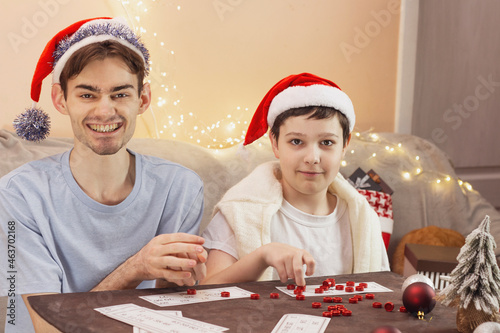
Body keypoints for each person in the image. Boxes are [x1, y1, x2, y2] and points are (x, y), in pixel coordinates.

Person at [0, 17, 206, 333]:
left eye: (120, 94)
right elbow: (47, 329)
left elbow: (175, 309)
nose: (105, 110)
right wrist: (137, 267)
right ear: (60, 99)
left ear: (143, 99)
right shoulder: (18, 195)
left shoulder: (181, 189)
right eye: (87, 95)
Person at [201, 73, 390, 287]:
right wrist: (262, 256)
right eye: (297, 141)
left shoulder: (363, 219)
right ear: (275, 143)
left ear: (345, 145)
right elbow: (205, 290)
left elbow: (379, 291)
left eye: (327, 142)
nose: (312, 158)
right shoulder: (241, 212)